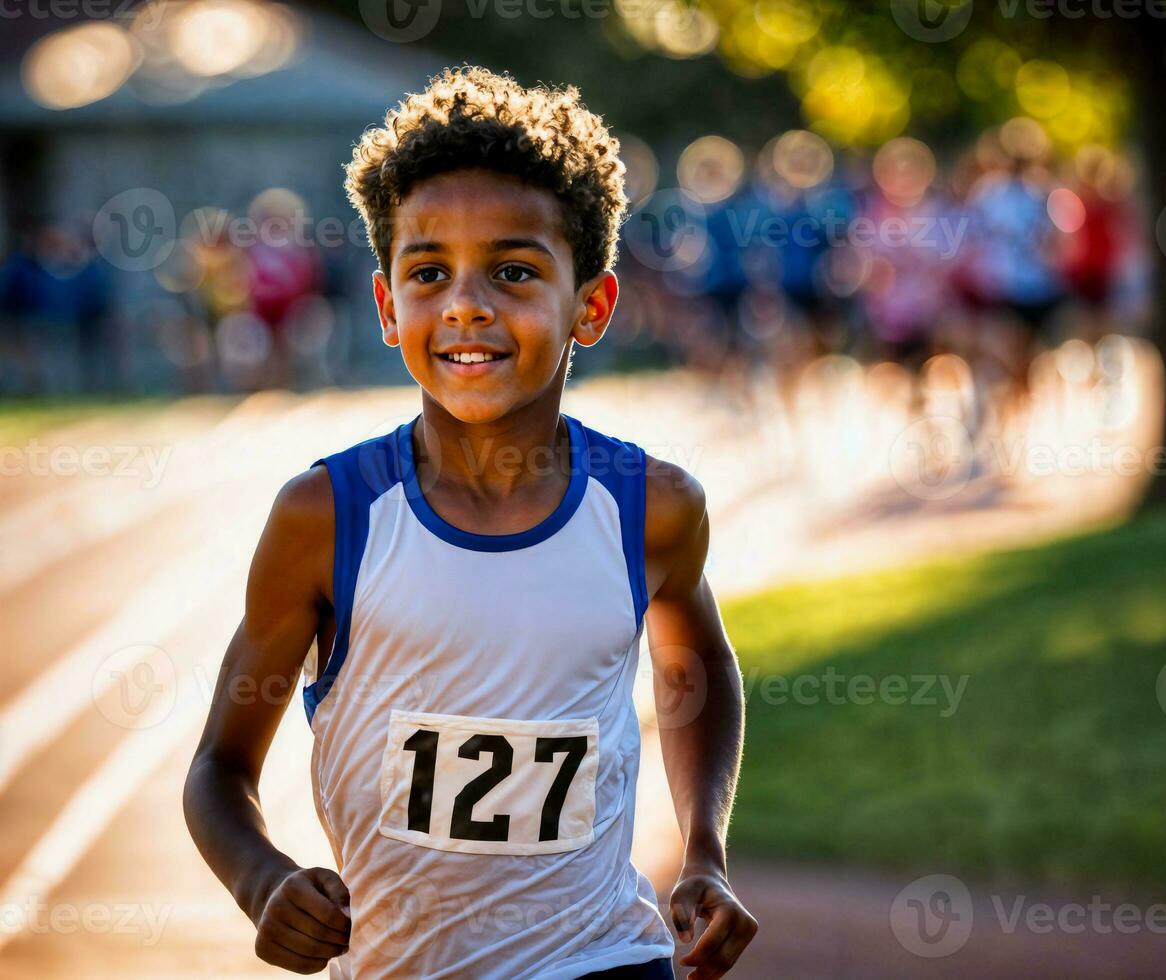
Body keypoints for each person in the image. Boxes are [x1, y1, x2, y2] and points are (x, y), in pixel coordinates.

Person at [183, 67, 757, 980]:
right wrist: (263, 881)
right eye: (429, 272)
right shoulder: (326, 517)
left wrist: (704, 854)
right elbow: (218, 767)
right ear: (387, 306)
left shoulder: (653, 508)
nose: (466, 305)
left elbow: (698, 666)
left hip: (606, 961)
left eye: (515, 271)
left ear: (592, 306)